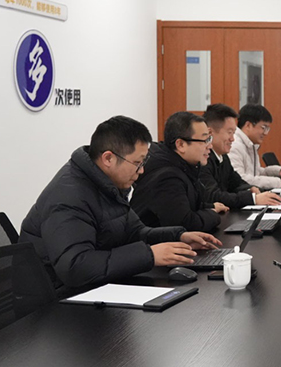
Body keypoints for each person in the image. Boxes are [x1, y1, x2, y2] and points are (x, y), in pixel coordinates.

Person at [20, 116, 220, 295]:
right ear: (108, 158)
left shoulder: (107, 184)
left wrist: (178, 236)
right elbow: (75, 266)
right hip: (54, 304)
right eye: (137, 163)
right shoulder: (69, 196)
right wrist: (150, 256)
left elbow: (135, 233)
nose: (141, 171)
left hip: (93, 290)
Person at [131, 111, 226, 232]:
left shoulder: (183, 165)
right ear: (181, 145)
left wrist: (210, 206)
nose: (210, 146)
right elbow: (186, 224)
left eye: (209, 139)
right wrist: (213, 214)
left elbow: (186, 203)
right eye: (204, 140)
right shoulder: (166, 177)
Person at [202, 103, 281, 209]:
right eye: (229, 132)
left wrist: (250, 188)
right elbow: (214, 196)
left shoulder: (223, 157)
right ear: (210, 133)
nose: (232, 139)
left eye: (233, 133)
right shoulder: (203, 160)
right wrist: (253, 199)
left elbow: (236, 182)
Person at [229, 104, 281, 190]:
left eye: (267, 129)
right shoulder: (234, 145)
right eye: (263, 127)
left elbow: (255, 173)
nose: (266, 133)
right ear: (248, 125)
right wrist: (278, 183)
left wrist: (278, 171)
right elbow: (241, 179)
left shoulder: (250, 144)